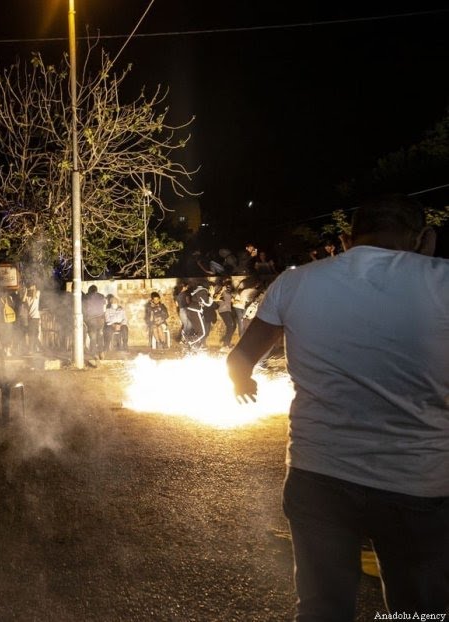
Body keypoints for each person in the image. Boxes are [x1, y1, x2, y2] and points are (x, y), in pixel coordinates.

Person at [226, 195, 448, 620]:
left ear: (345, 240)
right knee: (417, 608)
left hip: (318, 474)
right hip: (415, 480)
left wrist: (243, 382)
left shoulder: (296, 282)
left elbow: (239, 360)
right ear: (424, 238)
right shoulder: (442, 279)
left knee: (322, 608)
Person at [184, 280, 214, 350]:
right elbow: (208, 304)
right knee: (202, 333)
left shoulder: (197, 290)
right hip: (195, 311)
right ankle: (189, 341)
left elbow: (201, 301)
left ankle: (194, 347)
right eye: (212, 288)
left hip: (191, 311)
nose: (213, 289)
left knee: (198, 331)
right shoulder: (203, 291)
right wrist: (211, 294)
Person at [83, 285, 106, 358]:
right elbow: (104, 307)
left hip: (91, 319)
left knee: (93, 337)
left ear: (89, 290)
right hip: (100, 319)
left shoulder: (86, 297)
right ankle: (101, 353)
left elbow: (84, 308)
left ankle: (94, 354)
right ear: (96, 290)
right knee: (100, 336)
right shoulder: (102, 296)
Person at [23, 284, 41, 353]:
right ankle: (32, 349)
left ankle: (35, 349)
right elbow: (23, 300)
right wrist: (27, 290)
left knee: (34, 334)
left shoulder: (36, 295)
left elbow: (36, 292)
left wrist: (31, 288)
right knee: (32, 334)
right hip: (32, 318)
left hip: (34, 317)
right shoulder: (29, 297)